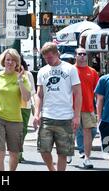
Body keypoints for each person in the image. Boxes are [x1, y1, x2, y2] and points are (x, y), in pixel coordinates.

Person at [34, 42, 82, 171]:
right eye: (45, 58)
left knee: (63, 152)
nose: (47, 60)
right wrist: (36, 114)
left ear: (57, 54)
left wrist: (76, 116)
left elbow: (78, 94)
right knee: (43, 149)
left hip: (65, 117)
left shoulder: (70, 69)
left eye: (50, 57)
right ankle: (51, 169)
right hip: (47, 116)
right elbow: (39, 94)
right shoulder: (42, 71)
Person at [0, 48, 31, 171]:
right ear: (3, 61)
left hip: (15, 120)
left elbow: (26, 98)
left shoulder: (22, 77)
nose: (10, 62)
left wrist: (20, 80)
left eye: (13, 60)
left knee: (14, 154)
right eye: (7, 60)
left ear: (17, 63)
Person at [74, 47, 99, 169]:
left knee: (89, 132)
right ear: (76, 56)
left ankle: (87, 158)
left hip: (88, 107)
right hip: (72, 108)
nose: (82, 56)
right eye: (80, 54)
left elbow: (97, 92)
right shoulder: (70, 70)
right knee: (70, 132)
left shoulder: (93, 72)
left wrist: (98, 109)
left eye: (84, 54)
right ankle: (68, 153)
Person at [19, 57, 36, 163]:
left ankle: (19, 151)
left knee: (23, 131)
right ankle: (17, 153)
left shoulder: (28, 74)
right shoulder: (8, 74)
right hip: (12, 107)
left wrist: (35, 107)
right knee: (14, 131)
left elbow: (33, 92)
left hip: (26, 107)